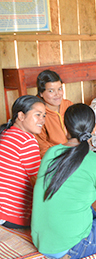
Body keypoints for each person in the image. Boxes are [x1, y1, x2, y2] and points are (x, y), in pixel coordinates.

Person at [31, 104, 96, 259]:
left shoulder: (51, 153)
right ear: (94, 129)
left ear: (65, 129)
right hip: (72, 247)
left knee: (77, 202)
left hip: (41, 241)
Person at [0, 95, 45, 229]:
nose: (42, 120)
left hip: (3, 213)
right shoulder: (26, 141)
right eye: (37, 114)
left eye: (44, 116)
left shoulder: (7, 134)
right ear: (21, 116)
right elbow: (39, 182)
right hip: (15, 216)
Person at [35, 70, 73, 157]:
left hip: (75, 152)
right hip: (56, 158)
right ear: (41, 93)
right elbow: (42, 148)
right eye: (51, 91)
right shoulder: (38, 114)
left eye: (59, 89)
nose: (57, 94)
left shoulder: (68, 106)